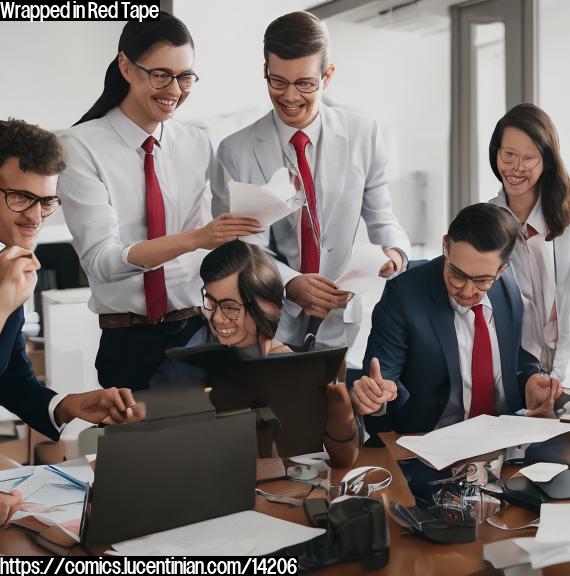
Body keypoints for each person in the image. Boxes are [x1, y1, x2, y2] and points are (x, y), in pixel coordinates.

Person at [58, 13, 262, 391]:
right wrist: (196, 238)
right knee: (139, 451)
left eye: (185, 76)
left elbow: (225, 238)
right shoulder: (79, 147)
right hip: (129, 342)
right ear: (126, 66)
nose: (175, 89)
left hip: (198, 333)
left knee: (215, 449)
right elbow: (103, 263)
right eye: (161, 74)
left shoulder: (197, 143)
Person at [217, 11, 411, 350]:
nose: (290, 97)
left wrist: (394, 252)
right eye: (277, 82)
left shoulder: (364, 134)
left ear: (328, 76)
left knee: (335, 401)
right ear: (265, 71)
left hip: (340, 319)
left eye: (305, 84)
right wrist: (290, 283)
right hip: (269, 321)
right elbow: (246, 248)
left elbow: (382, 218)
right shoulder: (236, 150)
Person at [0, 119, 144, 523]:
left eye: (45, 202)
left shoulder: (10, 261)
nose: (35, 217)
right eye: (19, 198)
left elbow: (8, 376)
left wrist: (69, 405)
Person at [351, 203, 563, 433]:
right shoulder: (405, 294)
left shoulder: (509, 289)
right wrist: (377, 394)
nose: (466, 291)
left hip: (503, 440)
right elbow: (382, 379)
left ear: (502, 270)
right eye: (457, 275)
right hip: (428, 442)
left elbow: (513, 362)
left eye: (482, 281)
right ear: (445, 247)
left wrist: (530, 381)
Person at [156, 240, 358, 467]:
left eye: (230, 308)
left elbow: (343, 459)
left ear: (268, 306)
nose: (217, 319)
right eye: (210, 303)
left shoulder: (300, 366)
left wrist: (341, 411)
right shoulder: (183, 367)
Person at [486, 104, 570, 378]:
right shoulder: (489, 218)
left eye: (529, 158)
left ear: (546, 160)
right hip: (517, 366)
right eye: (508, 155)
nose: (516, 168)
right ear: (496, 153)